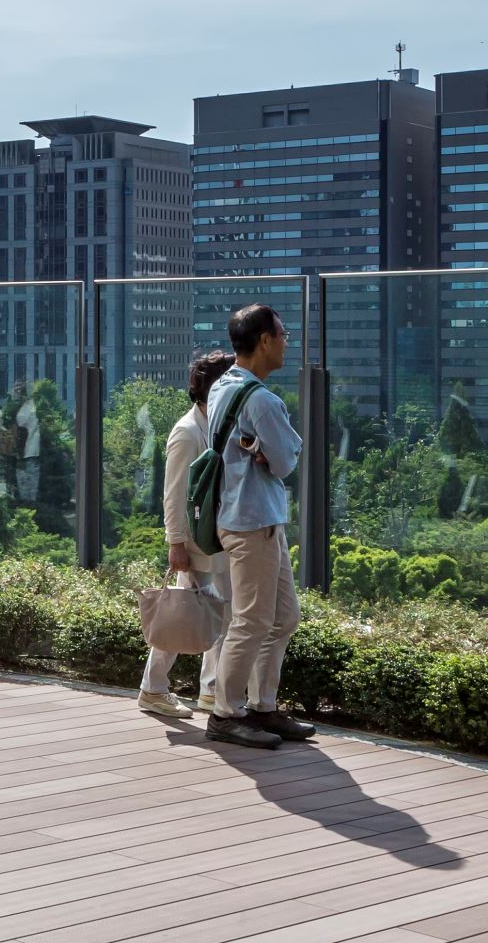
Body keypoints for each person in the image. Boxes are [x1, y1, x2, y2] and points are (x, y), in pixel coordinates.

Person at [207, 304, 312, 750]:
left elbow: (268, 452)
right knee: (252, 621)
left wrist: (265, 451)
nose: (288, 341)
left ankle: (263, 706)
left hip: (249, 517)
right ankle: (226, 714)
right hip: (253, 521)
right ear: (265, 341)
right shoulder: (263, 400)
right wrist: (272, 451)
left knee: (283, 616)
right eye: (284, 334)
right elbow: (288, 460)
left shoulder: (223, 386)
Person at [138, 351, 239, 719]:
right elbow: (174, 492)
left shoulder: (214, 425)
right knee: (181, 614)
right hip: (196, 543)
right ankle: (154, 688)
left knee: (215, 614)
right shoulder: (186, 431)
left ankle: (209, 690)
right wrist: (175, 543)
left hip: (215, 539)